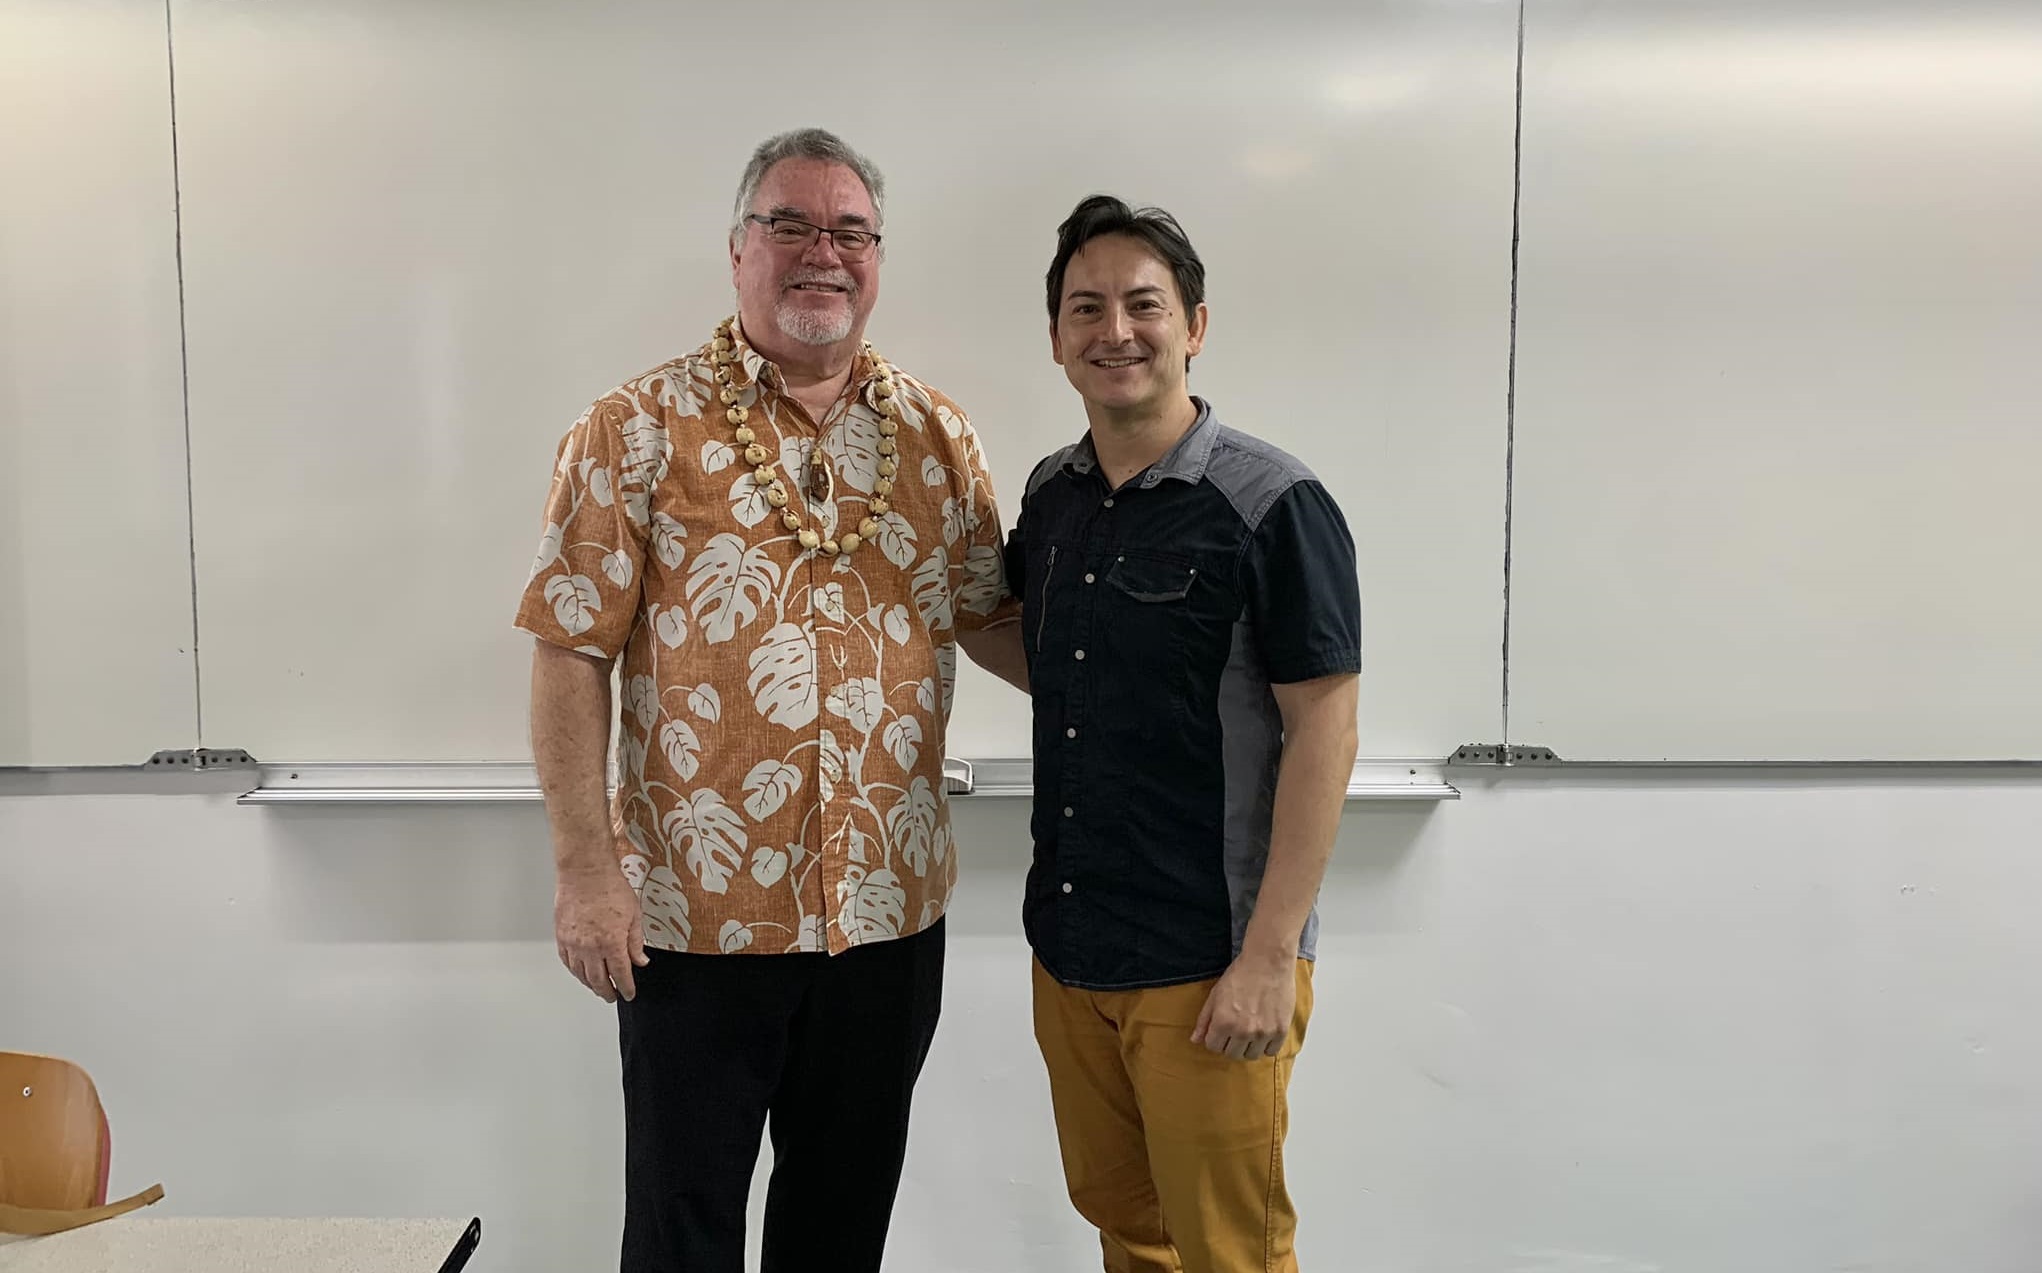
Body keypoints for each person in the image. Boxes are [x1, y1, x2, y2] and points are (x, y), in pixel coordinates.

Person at [515, 127, 1025, 1273]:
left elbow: (987, 614)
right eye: (789, 225)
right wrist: (586, 871)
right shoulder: (633, 428)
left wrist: (1146, 694)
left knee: (839, 1230)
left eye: (848, 230)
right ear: (737, 250)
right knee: (679, 1231)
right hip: (695, 920)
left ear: (878, 257)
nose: (821, 253)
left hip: (885, 914)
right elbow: (567, 650)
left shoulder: (936, 435)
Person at [1005, 195, 1362, 1272]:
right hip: (1071, 946)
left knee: (1228, 1251)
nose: (1115, 329)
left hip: (1209, 962)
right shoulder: (1052, 495)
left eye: (1142, 304)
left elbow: (1326, 732)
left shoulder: (1271, 502)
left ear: (1193, 325)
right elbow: (1047, 659)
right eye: (1086, 308)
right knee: (1127, 1222)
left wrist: (1267, 955)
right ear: (1057, 339)